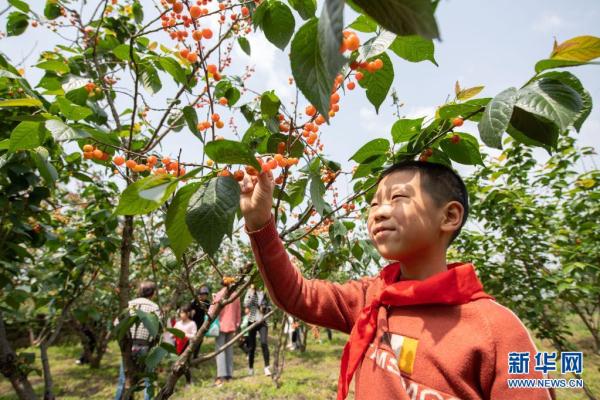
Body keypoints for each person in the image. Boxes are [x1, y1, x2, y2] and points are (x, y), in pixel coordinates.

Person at [239, 161, 553, 400]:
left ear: (449, 216)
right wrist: (259, 222)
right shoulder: (370, 297)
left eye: (397, 197)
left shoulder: (500, 331)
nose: (377, 213)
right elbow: (296, 294)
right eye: (373, 203)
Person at [115, 281, 161, 400]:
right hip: (146, 346)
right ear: (153, 293)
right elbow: (159, 328)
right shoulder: (154, 307)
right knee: (148, 380)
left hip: (129, 346)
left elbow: (116, 323)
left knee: (123, 379)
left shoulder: (129, 304)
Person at [209, 278, 241, 387]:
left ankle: (221, 376)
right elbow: (238, 311)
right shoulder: (236, 294)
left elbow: (212, 311)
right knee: (229, 350)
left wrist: (212, 300)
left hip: (221, 326)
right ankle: (229, 374)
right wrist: (237, 323)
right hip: (232, 325)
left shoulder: (219, 294)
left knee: (220, 350)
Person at [243, 284, 271, 376]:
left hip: (262, 321)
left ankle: (267, 367)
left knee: (264, 343)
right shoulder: (250, 292)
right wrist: (251, 294)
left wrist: (263, 308)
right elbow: (246, 304)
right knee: (252, 346)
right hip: (252, 321)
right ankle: (251, 368)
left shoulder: (264, 292)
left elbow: (268, 307)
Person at [173, 305, 197, 385]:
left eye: (183, 313)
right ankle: (174, 382)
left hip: (187, 346)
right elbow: (173, 333)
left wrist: (184, 335)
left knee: (185, 365)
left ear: (188, 314)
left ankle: (189, 381)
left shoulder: (192, 323)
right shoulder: (178, 323)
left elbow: (194, 336)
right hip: (177, 345)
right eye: (180, 313)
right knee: (176, 364)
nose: (181, 315)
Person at [190, 285, 210, 358]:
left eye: (205, 295)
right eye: (202, 294)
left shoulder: (207, 303)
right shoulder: (194, 301)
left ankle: (195, 356)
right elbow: (190, 310)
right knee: (193, 340)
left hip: (201, 323)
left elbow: (209, 311)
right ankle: (189, 355)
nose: (203, 296)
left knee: (200, 340)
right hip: (193, 324)